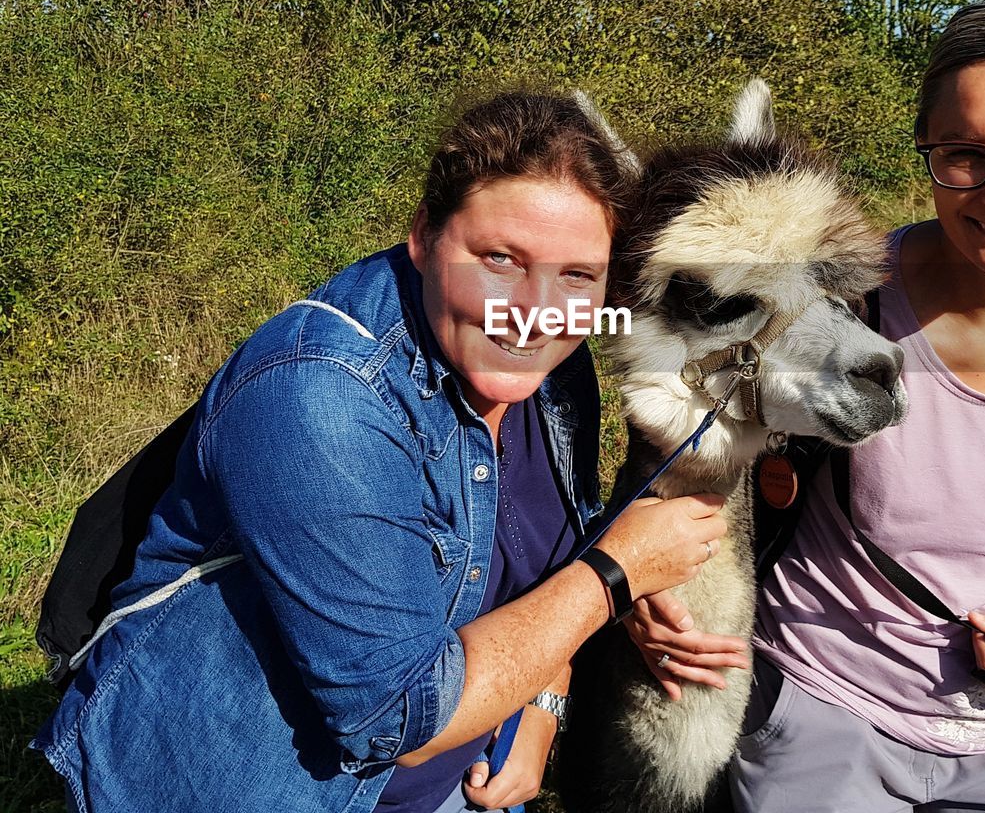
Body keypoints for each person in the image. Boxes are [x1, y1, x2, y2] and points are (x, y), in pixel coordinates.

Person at [34, 92, 728, 813]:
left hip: (458, 785)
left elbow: (542, 563)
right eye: (500, 259)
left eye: (578, 276)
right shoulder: (321, 397)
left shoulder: (555, 373)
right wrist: (613, 577)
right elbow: (395, 714)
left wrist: (542, 704)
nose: (534, 311)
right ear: (425, 237)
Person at [629, 0, 985, 812]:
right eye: (966, 154)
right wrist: (647, 588)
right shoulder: (843, 305)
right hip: (824, 718)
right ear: (926, 146)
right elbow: (685, 438)